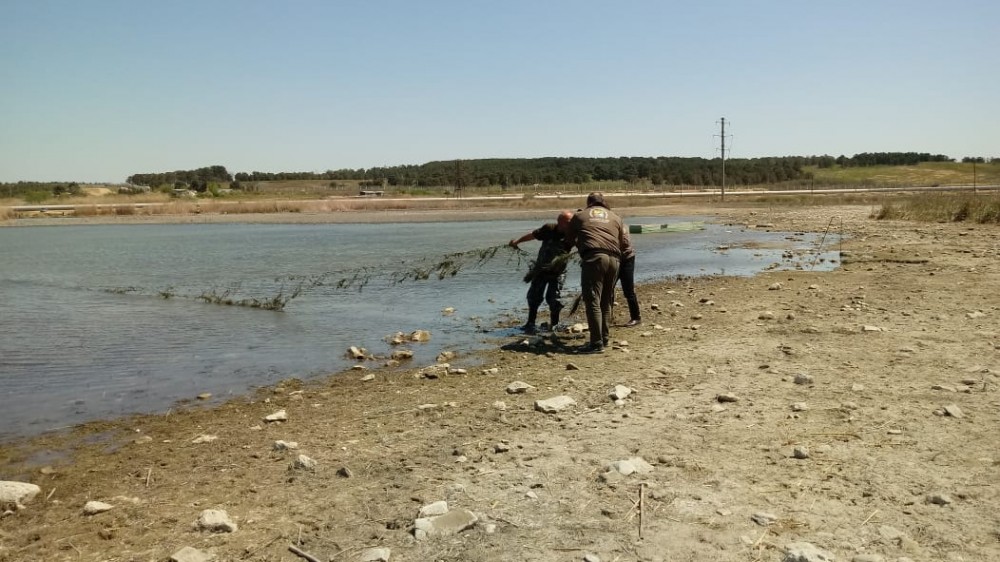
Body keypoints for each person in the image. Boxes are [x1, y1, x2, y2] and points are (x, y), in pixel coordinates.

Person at [563, 192, 627, 353]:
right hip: (615, 260)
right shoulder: (615, 217)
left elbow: (568, 241)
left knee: (593, 300)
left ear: (588, 203)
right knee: (606, 300)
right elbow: (622, 242)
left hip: (594, 258)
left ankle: (596, 343)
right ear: (603, 202)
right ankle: (604, 338)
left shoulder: (579, 216)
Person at [508, 210, 574, 334]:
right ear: (560, 222)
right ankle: (530, 323)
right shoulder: (549, 229)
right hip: (541, 270)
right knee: (534, 297)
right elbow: (532, 235)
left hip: (558, 272)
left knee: (554, 299)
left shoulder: (572, 234)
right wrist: (517, 242)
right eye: (569, 222)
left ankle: (554, 325)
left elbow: (585, 243)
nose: (572, 224)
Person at [618, 229, 641, 327]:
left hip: (626, 259)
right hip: (612, 259)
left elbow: (625, 243)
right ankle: (606, 317)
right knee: (608, 289)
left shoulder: (621, 227)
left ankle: (636, 317)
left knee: (628, 290)